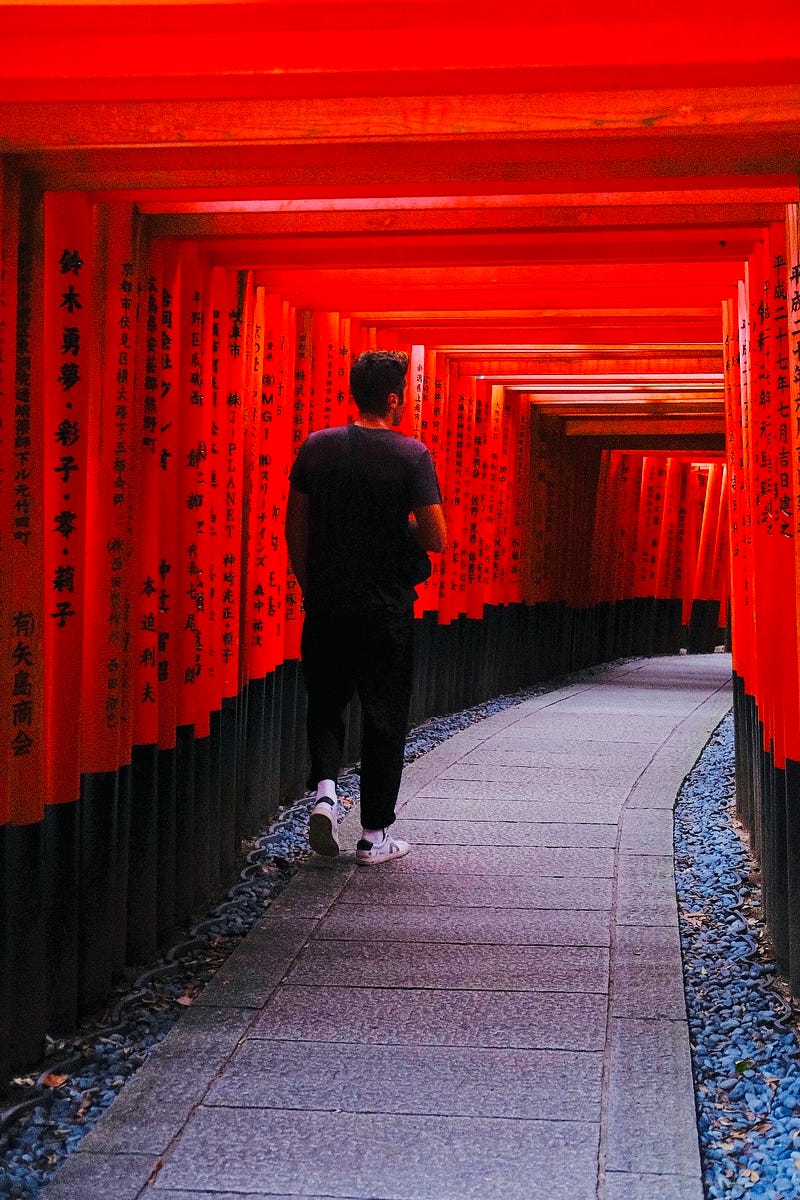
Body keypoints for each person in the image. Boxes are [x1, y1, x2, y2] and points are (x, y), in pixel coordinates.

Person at [284, 350, 447, 865]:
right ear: (394, 398)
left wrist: (311, 586)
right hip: (386, 612)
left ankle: (327, 794)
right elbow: (437, 537)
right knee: (384, 716)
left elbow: (296, 528)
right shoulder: (410, 455)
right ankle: (374, 836)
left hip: (328, 605)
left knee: (326, 703)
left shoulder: (316, 447)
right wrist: (400, 527)